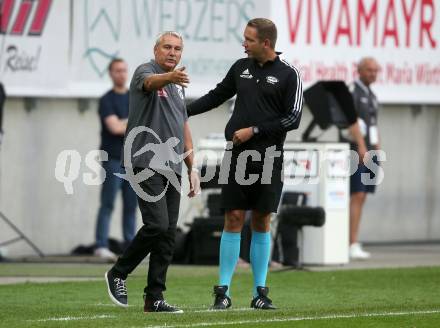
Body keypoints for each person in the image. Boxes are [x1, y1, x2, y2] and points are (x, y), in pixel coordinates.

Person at [187, 18, 303, 310]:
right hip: (237, 157)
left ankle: (259, 293)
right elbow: (216, 96)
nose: (244, 44)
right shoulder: (241, 67)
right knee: (233, 218)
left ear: (266, 43)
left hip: (269, 158)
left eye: (249, 39)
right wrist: (182, 111)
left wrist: (254, 130)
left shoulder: (290, 75)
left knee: (262, 221)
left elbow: (293, 118)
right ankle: (222, 291)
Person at [104, 31, 200, 313]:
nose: (172, 52)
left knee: (168, 233)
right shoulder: (146, 72)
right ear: (156, 49)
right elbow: (150, 83)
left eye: (178, 49)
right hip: (144, 161)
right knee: (157, 225)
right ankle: (118, 272)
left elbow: (184, 128)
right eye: (167, 47)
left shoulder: (178, 86)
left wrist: (192, 168)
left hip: (172, 166)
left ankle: (154, 297)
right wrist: (169, 77)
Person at [94, 58, 137, 261]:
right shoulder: (106, 100)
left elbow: (142, 126)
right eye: (117, 70)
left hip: (133, 160)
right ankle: (101, 245)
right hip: (112, 158)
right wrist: (132, 121)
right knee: (108, 203)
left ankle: (130, 245)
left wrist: (127, 122)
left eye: (124, 70)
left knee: (131, 205)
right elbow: (115, 128)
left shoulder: (134, 98)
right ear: (110, 73)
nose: (121, 74)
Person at [342, 57, 381, 260]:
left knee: (363, 195)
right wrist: (361, 145)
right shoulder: (353, 91)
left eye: (376, 70)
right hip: (356, 150)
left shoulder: (372, 95)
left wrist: (377, 147)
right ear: (359, 70)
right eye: (369, 70)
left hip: (370, 151)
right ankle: (350, 242)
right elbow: (351, 121)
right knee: (356, 194)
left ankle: (353, 239)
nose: (373, 74)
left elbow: (373, 124)